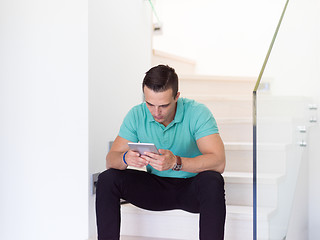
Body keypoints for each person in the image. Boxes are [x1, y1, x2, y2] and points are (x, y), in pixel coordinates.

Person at [96, 65, 226, 240]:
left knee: (212, 180)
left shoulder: (197, 113)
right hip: (154, 188)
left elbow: (218, 162)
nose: (156, 112)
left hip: (191, 188)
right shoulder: (136, 114)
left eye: (163, 105)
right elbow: (111, 160)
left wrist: (176, 162)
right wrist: (126, 158)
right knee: (107, 179)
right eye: (150, 104)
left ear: (176, 97)